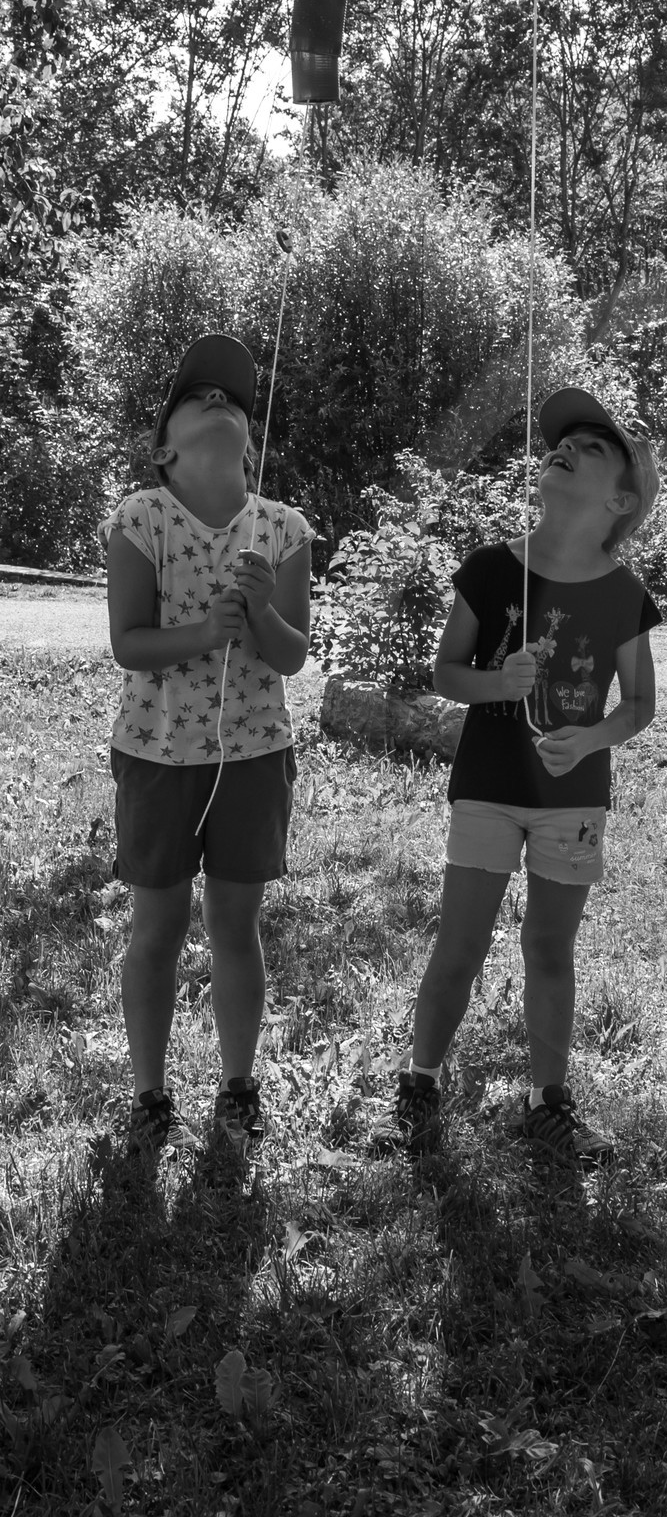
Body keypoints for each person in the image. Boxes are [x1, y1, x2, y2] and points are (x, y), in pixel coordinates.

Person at [382, 388, 660, 1164]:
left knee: (549, 948)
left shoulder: (624, 594)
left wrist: (592, 740)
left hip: (573, 799)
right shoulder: (492, 570)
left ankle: (547, 1098)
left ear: (620, 499)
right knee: (461, 943)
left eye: (593, 446)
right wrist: (495, 684)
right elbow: (445, 671)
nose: (567, 445)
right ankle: (419, 1079)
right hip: (488, 786)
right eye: (562, 441)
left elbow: (638, 705)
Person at [105, 334, 314, 1173]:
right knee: (155, 927)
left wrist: (259, 612)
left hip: (256, 755)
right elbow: (129, 641)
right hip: (156, 754)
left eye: (231, 398)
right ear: (164, 447)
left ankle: (238, 1087)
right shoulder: (141, 517)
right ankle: (150, 1093)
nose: (220, 401)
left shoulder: (283, 528)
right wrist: (204, 630)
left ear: (250, 445)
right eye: (198, 397)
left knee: (236, 923)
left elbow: (291, 654)